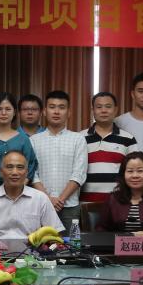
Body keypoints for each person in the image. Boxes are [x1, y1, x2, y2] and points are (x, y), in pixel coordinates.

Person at [0, 151, 63, 239]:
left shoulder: (40, 198)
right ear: (1, 172)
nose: (14, 172)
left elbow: (55, 233)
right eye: (9, 167)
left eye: (20, 167)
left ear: (27, 172)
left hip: (32, 250)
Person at [30, 90, 87, 227]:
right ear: (45, 111)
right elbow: (32, 174)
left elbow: (79, 173)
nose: (56, 111)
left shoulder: (78, 139)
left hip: (70, 206)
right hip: (41, 205)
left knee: (71, 241)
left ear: (69, 112)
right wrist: (48, 199)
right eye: (52, 107)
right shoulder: (33, 140)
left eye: (61, 107)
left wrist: (61, 199)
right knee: (41, 241)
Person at [81, 91, 138, 203]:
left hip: (117, 204)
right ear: (93, 110)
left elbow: (133, 171)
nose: (103, 110)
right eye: (99, 107)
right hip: (85, 204)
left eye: (108, 106)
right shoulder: (79, 138)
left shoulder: (128, 139)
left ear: (115, 110)